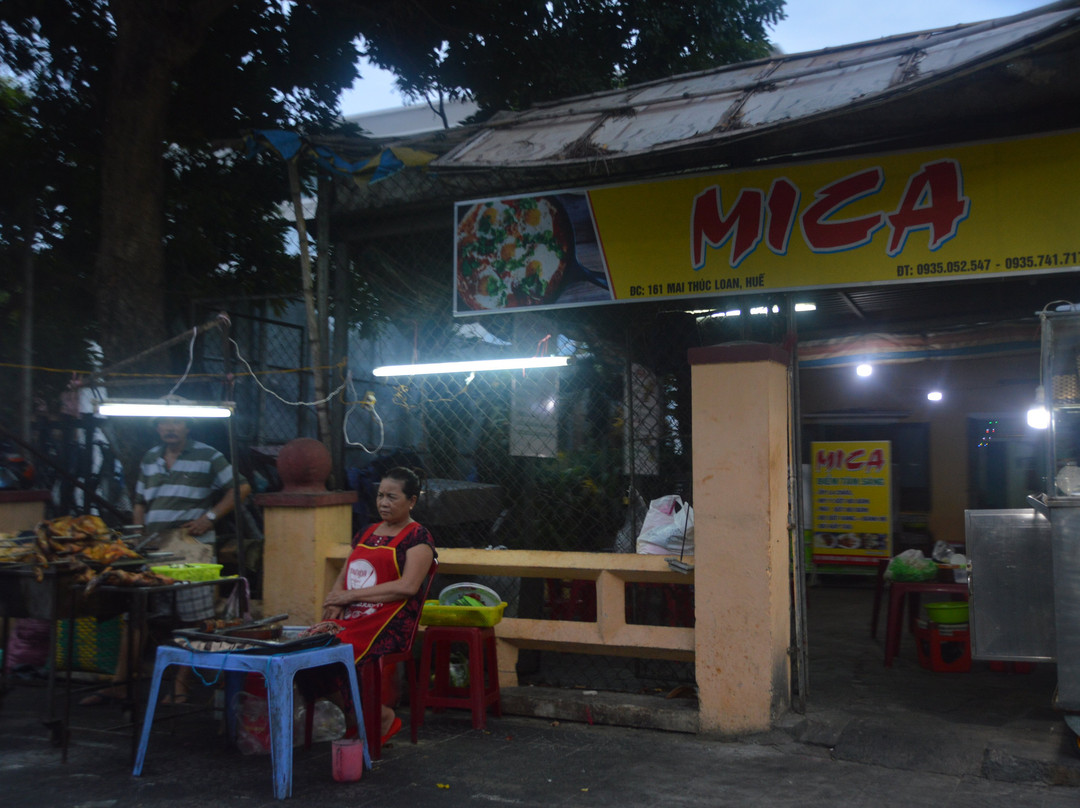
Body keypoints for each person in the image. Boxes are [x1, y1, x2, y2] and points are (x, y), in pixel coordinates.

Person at [81, 415, 250, 705]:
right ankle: (120, 683)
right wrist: (137, 537)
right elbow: (140, 502)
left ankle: (181, 687)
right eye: (164, 423)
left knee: (194, 618)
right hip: (155, 547)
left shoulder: (208, 455)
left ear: (188, 426)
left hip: (192, 549)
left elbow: (241, 489)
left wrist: (209, 518)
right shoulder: (150, 458)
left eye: (177, 422)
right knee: (137, 613)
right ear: (157, 427)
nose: (170, 428)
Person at [300, 466, 436, 744]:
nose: (384, 503)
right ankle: (359, 718)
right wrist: (335, 601)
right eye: (380, 496)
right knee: (305, 650)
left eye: (392, 497)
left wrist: (350, 597)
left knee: (335, 651)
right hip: (353, 615)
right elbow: (344, 576)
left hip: (392, 622)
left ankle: (380, 718)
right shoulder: (366, 532)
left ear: (411, 501)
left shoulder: (418, 538)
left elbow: (408, 587)